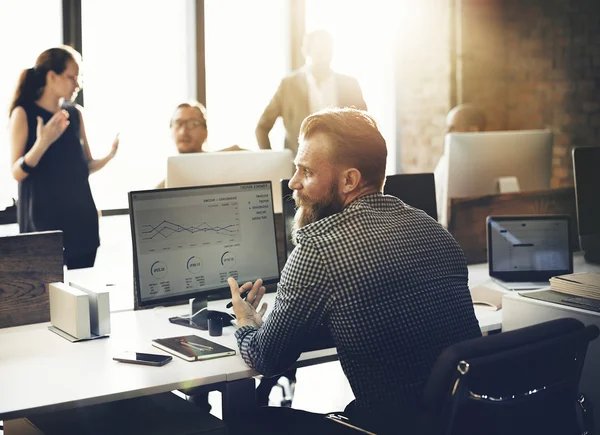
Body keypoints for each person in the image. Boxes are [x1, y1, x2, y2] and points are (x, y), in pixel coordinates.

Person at [228, 108, 482, 434]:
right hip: (462, 422)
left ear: (349, 179)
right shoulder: (435, 230)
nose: (293, 182)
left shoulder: (319, 247)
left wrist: (246, 323)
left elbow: (267, 359)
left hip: (388, 428)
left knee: (248, 421)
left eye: (306, 171)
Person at [8, 46, 118, 269]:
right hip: (42, 226)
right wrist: (43, 143)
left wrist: (109, 156)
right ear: (52, 76)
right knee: (47, 297)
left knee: (84, 296)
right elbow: (16, 172)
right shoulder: (24, 113)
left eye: (79, 78)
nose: (77, 84)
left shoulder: (75, 113)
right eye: (72, 77)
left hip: (82, 222)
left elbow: (83, 166)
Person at [255, 29, 367, 156]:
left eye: (327, 51)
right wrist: (272, 163)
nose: (324, 57)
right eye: (319, 52)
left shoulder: (349, 85)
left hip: (341, 165)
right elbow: (262, 127)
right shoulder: (288, 85)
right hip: (299, 167)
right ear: (307, 52)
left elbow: (366, 128)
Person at [156, 101, 242, 188]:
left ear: (205, 131)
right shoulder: (161, 189)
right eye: (179, 124)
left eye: (192, 124)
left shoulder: (233, 157)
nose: (183, 132)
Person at [434, 104, 486, 226]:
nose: (446, 133)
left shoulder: (485, 166)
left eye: (452, 128)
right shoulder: (444, 161)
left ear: (473, 131)